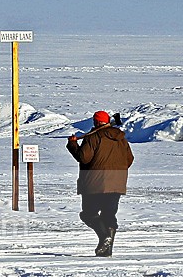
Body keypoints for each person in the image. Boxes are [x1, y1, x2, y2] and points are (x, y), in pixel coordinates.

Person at [67, 110, 134, 257]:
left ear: (96, 122)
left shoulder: (93, 137)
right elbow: (129, 159)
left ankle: (104, 237)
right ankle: (106, 251)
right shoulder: (121, 139)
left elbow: (84, 158)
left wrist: (73, 145)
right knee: (109, 214)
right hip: (117, 182)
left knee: (88, 214)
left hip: (95, 183)